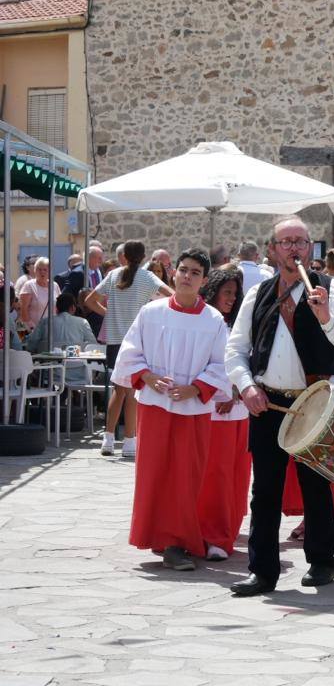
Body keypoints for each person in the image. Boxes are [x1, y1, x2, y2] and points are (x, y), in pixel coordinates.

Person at [225, 216, 334, 597]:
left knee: (315, 485)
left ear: (310, 248)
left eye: (301, 242)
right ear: (273, 249)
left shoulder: (333, 290)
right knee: (265, 489)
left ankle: (321, 562)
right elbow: (235, 350)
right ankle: (262, 571)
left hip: (313, 400)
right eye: (286, 242)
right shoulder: (258, 294)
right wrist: (247, 387)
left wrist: (326, 318)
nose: (294, 248)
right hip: (267, 402)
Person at [112, 248, 232, 571]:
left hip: (193, 410)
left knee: (186, 477)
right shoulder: (151, 313)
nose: (187, 276)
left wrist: (195, 388)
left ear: (204, 281)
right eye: (183, 270)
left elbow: (222, 365)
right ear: (174, 273)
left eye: (195, 272)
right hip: (155, 407)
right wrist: (149, 377)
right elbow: (129, 353)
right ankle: (157, 537)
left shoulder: (214, 321)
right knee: (154, 475)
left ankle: (177, 543)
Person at [85, 241, 172, 459]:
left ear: (124, 255)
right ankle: (130, 440)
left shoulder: (113, 275)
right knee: (133, 390)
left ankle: (108, 437)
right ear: (143, 257)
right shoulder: (146, 277)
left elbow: (89, 300)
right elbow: (171, 294)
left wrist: (109, 313)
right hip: (136, 340)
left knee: (118, 389)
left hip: (114, 340)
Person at [196, 266, 251, 561]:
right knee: (215, 475)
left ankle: (227, 528)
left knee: (237, 476)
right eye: (226, 292)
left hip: (240, 412)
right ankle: (211, 533)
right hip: (214, 411)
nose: (231, 298)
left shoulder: (238, 324)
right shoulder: (205, 322)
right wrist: (224, 392)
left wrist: (240, 390)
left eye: (234, 293)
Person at [25, 292, 97, 380]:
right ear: (73, 308)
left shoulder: (45, 322)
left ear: (56, 309)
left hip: (49, 374)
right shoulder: (83, 322)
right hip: (78, 374)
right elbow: (93, 346)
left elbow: (31, 346)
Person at [18, 257, 59, 334]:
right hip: (33, 330)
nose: (42, 272)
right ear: (35, 270)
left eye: (45, 269)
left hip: (53, 330)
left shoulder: (55, 285)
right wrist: (32, 328)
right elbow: (23, 309)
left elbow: (59, 306)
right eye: (39, 269)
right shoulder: (29, 285)